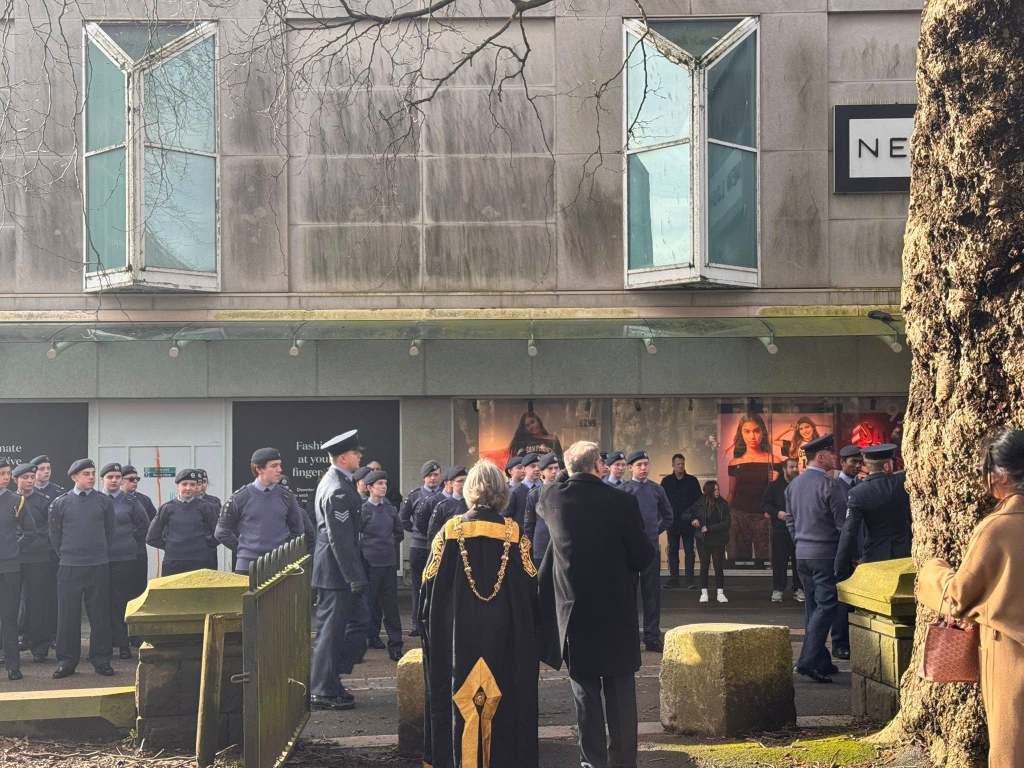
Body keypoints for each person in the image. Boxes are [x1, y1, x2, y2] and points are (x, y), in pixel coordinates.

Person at [537, 441, 653, 768]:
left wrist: (570, 470)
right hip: (616, 612)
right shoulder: (623, 502)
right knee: (620, 695)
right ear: (599, 465)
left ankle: (592, 762)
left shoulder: (552, 499)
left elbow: (554, 485)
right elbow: (643, 556)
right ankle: (623, 761)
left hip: (576, 614)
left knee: (585, 694)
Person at [420, 459, 540, 768]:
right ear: (502, 492)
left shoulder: (447, 533)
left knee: (458, 700)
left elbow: (427, 594)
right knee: (506, 702)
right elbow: (531, 595)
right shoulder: (515, 536)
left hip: (458, 639)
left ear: (470, 491)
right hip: (505, 642)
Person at [917, 428, 1024, 768]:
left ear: (1001, 474)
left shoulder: (998, 527)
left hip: (1011, 654)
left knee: (1012, 748)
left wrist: (932, 571)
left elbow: (958, 597)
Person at [310, 431, 369, 711]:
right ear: (344, 458)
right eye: (357, 453)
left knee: (354, 625)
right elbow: (340, 538)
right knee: (331, 631)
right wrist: (354, 577)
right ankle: (323, 688)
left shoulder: (340, 482)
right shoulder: (338, 489)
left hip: (337, 570)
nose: (360, 457)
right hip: (336, 572)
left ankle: (331, 679)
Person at [785, 434, 846, 683]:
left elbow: (789, 520)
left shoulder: (793, 485)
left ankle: (821, 660)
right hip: (825, 554)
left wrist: (799, 540)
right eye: (831, 453)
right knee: (827, 606)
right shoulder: (831, 485)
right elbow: (843, 524)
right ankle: (808, 660)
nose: (835, 457)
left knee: (813, 608)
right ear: (821, 457)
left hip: (802, 554)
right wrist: (848, 555)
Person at [49, 458, 116, 679]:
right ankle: (67, 661)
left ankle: (101, 659)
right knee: (67, 615)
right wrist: (68, 554)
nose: (90, 477)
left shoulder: (104, 502)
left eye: (92, 473)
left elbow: (110, 531)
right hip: (69, 565)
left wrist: (98, 552)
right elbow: (55, 536)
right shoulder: (61, 503)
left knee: (100, 614)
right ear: (74, 477)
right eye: (86, 473)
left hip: (98, 565)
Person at [215, 448, 308, 575]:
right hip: (247, 567)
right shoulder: (240, 497)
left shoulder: (287, 497)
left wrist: (282, 552)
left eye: (280, 465)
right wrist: (244, 550)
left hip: (280, 565)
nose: (279, 470)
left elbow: (298, 531)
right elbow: (221, 532)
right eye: (274, 466)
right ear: (259, 469)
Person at [835, 444, 912, 580]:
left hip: (875, 556)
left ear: (866, 465)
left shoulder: (858, 492)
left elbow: (849, 532)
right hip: (905, 553)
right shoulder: (903, 482)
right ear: (887, 465)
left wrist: (839, 567)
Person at [622, 450, 672, 652]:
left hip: (651, 548)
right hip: (630, 550)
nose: (643, 468)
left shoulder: (656, 490)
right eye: (639, 465)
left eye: (645, 464)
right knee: (629, 593)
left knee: (652, 593)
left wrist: (653, 532)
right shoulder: (624, 490)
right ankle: (631, 636)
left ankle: (652, 636)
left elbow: (668, 516)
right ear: (630, 468)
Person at [99, 463, 149, 660]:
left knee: (122, 601)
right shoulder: (97, 500)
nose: (114, 480)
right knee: (102, 602)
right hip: (101, 559)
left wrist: (128, 540)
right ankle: (105, 643)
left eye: (117, 477)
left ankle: (123, 644)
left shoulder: (130, 501)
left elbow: (144, 525)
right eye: (109, 476)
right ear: (102, 479)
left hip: (124, 558)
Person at [14, 463, 57, 663]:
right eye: (26, 477)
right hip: (14, 559)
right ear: (17, 479)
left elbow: (49, 530)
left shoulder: (44, 501)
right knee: (13, 602)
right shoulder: (10, 500)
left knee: (39, 602)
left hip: (38, 557)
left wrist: (27, 539)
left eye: (32, 477)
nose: (30, 481)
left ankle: (40, 646)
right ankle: (16, 641)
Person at [360, 470, 404, 661]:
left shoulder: (390, 510)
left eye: (385, 483)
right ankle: (362, 644)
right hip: (370, 564)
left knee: (391, 607)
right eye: (379, 484)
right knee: (367, 606)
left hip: (388, 563)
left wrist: (388, 546)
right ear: (369, 488)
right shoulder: (363, 510)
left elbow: (399, 533)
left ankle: (395, 645)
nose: (383, 487)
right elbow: (357, 535)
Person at [728, 413, 780, 564]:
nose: (752, 436)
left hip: (763, 516)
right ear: (741, 433)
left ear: (763, 432)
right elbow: (732, 492)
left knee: (764, 558)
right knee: (739, 558)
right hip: (738, 514)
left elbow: (778, 492)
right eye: (747, 431)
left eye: (756, 431)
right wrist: (724, 514)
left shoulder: (773, 461)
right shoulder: (735, 462)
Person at [147, 469, 219, 576]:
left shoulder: (206, 507)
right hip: (173, 563)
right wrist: (171, 546)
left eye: (192, 484)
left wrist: (204, 545)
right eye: (184, 484)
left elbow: (218, 533)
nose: (188, 488)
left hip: (199, 562)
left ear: (196, 486)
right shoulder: (167, 508)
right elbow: (151, 537)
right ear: (178, 486)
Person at [399, 460, 442, 638]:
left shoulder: (444, 495)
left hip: (439, 546)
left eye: (436, 475)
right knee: (418, 587)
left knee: (438, 585)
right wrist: (417, 531)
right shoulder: (415, 496)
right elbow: (403, 519)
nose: (433, 478)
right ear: (424, 477)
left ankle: (436, 622)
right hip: (419, 546)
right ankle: (417, 624)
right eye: (429, 475)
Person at [828, 445, 864, 660]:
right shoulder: (834, 487)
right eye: (853, 462)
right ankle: (840, 642)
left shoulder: (861, 485)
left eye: (859, 462)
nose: (857, 466)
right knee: (841, 600)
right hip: (841, 551)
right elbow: (839, 524)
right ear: (842, 462)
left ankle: (854, 641)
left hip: (860, 551)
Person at [0, 460, 31, 680]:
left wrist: (13, 547)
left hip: (9, 567)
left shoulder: (17, 500)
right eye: (1, 473)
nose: (5, 477)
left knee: (9, 617)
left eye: (7, 473)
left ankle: (13, 665)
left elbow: (30, 531)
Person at [761, 457, 803, 603]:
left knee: (799, 561)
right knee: (779, 561)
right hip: (780, 530)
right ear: (784, 469)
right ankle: (778, 589)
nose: (795, 469)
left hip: (799, 530)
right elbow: (765, 505)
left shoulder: (801, 484)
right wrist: (777, 513)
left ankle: (799, 589)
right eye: (791, 467)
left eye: (796, 466)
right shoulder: (774, 486)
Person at [661, 453, 702, 590]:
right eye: (678, 464)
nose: (681, 466)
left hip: (688, 522)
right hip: (672, 522)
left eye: (682, 464)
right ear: (673, 465)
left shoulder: (692, 481)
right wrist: (665, 518)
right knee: (672, 550)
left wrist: (695, 517)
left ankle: (689, 579)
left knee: (689, 551)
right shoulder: (666, 481)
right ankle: (674, 579)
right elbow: (662, 501)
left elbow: (699, 501)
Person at [688, 480, 731, 604]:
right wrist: (694, 519)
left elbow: (726, 523)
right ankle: (704, 592)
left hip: (718, 539)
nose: (717, 492)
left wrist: (710, 528)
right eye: (715, 490)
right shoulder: (700, 503)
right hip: (703, 540)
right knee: (704, 566)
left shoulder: (723, 504)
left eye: (718, 489)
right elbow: (688, 514)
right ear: (709, 491)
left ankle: (720, 592)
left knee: (718, 566)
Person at [524, 453, 559, 562]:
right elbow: (529, 524)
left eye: (556, 468)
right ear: (542, 472)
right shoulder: (534, 494)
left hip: (560, 547)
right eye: (550, 469)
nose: (554, 471)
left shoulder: (565, 491)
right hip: (541, 547)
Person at [426, 466, 468, 545]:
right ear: (451, 483)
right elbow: (433, 534)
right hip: (449, 550)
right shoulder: (443, 506)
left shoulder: (473, 505)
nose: (464, 484)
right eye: (460, 481)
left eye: (466, 481)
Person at [506, 453, 539, 527]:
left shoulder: (543, 487)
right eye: (519, 468)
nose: (522, 471)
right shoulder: (508, 490)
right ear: (510, 471)